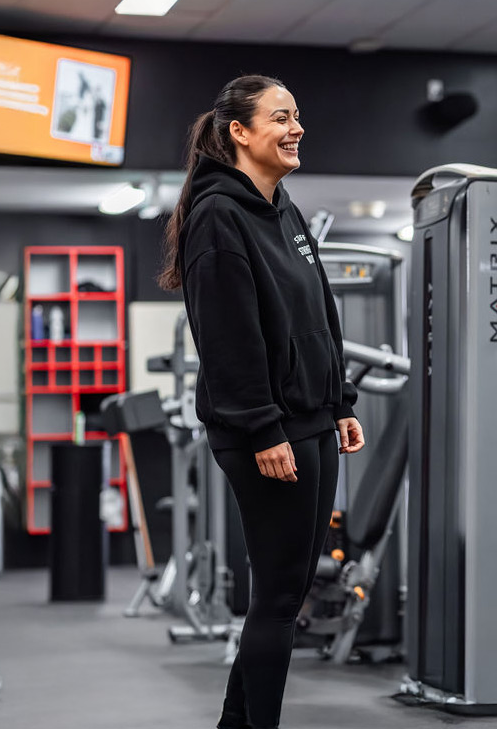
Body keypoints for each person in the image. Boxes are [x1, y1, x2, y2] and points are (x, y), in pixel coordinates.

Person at [158, 74, 365, 729]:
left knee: (289, 590)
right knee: (277, 596)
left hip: (309, 419)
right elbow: (227, 337)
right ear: (240, 132)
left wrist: (339, 399)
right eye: (280, 117)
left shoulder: (284, 207)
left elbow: (318, 311)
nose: (295, 126)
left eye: (297, 115)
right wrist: (262, 427)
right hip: (263, 432)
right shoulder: (219, 215)